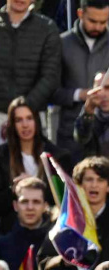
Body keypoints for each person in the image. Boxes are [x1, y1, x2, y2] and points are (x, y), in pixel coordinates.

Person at [0, 0, 61, 160]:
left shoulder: (47, 27)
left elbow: (51, 77)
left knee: (31, 177)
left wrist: (22, 111)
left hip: (31, 115)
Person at [0, 96, 72, 235]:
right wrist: (14, 189)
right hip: (13, 231)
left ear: (37, 121)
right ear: (12, 124)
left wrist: (37, 187)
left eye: (29, 118)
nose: (25, 125)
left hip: (50, 229)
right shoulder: (1, 156)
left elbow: (66, 200)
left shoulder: (58, 156)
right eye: (19, 120)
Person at [54, 0, 109, 164]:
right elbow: (50, 90)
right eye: (93, 21)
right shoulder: (61, 44)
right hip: (70, 135)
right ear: (80, 14)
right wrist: (79, 95)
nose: (98, 27)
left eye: (103, 22)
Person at [37, 156, 109, 269]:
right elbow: (44, 263)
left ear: (108, 186)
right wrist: (65, 260)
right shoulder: (66, 220)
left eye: (100, 180)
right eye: (89, 179)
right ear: (79, 185)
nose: (94, 185)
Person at [0, 177, 51, 270]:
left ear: (45, 206)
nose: (30, 207)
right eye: (24, 202)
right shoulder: (2, 246)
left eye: (36, 202)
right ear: (15, 206)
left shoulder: (56, 243)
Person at [75, 69, 109, 157]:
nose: (103, 94)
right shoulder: (90, 116)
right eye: (98, 89)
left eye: (108, 88)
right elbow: (81, 138)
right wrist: (88, 110)